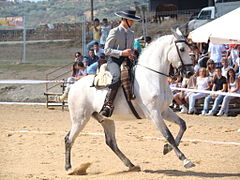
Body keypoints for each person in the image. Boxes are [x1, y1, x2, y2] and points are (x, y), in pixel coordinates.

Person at [99, 9, 141, 118]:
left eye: (133, 21)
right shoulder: (114, 31)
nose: (132, 23)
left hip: (127, 60)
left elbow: (130, 49)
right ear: (125, 19)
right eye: (131, 20)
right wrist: (122, 52)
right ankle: (108, 104)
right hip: (114, 60)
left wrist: (131, 54)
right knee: (116, 77)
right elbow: (106, 50)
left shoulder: (132, 34)